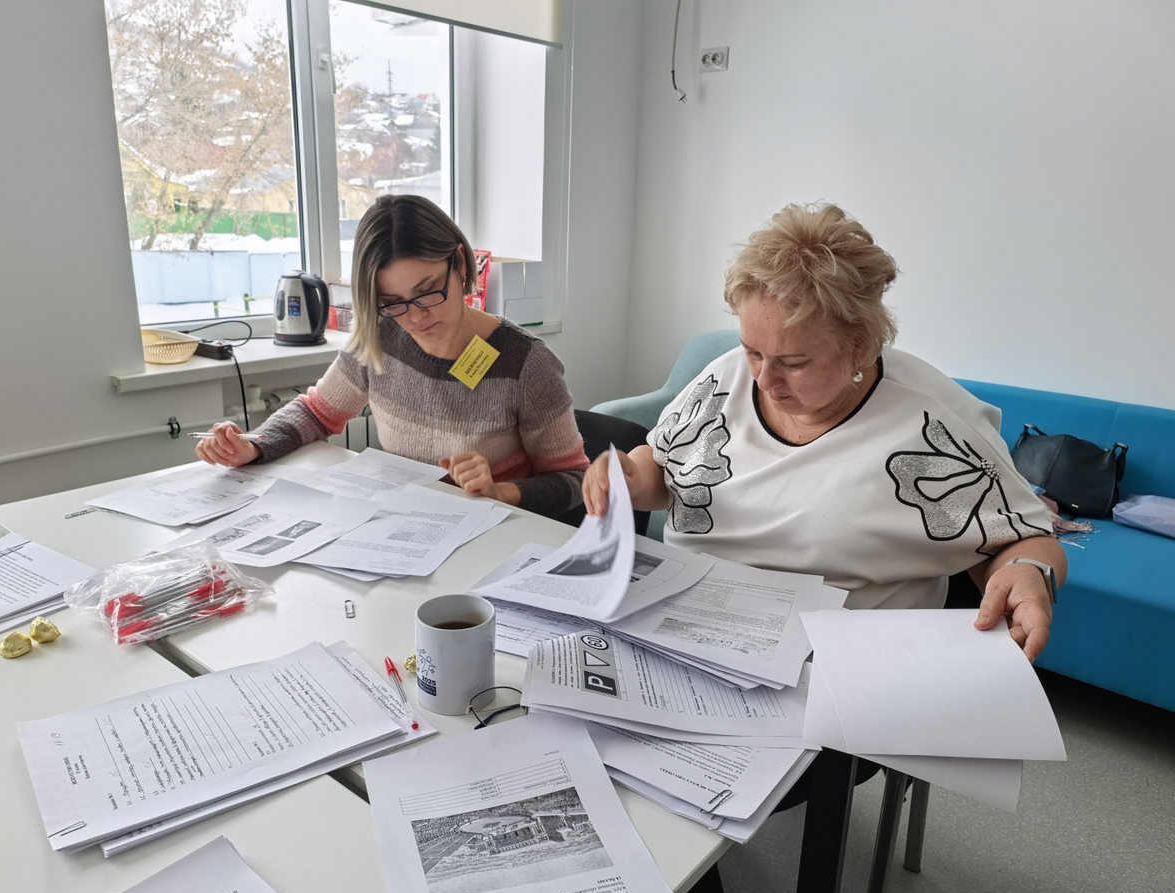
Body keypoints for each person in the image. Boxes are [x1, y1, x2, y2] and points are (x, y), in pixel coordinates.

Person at [583, 202, 1065, 661]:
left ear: (861, 347)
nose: (763, 380)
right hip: (682, 621)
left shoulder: (933, 423)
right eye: (753, 351)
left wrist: (1028, 573)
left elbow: (1025, 538)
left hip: (837, 657)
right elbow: (663, 471)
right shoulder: (723, 378)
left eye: (794, 363)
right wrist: (630, 476)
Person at [197, 195, 588, 519]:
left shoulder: (525, 363)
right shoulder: (380, 335)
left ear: (460, 263)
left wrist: (501, 492)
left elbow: (574, 479)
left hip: (493, 535)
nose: (415, 317)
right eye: (392, 301)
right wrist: (255, 443)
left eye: (428, 291)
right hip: (404, 526)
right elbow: (318, 412)